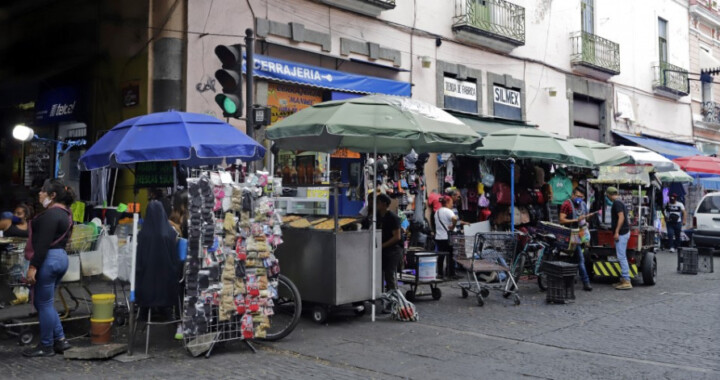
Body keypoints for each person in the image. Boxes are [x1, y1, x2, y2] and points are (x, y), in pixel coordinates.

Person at [23, 179, 75, 357]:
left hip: (49, 259)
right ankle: (60, 340)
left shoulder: (51, 215)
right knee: (44, 302)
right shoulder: (66, 214)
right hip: (60, 258)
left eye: (44, 191)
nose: (40, 193)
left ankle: (46, 345)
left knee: (44, 303)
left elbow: (43, 244)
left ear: (52, 195)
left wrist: (33, 267)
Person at [365, 193, 403, 292]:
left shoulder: (393, 217)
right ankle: (382, 297)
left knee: (389, 274)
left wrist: (382, 246)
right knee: (378, 273)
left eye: (377, 202)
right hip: (382, 249)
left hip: (393, 251)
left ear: (384, 204)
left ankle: (394, 299)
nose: (375, 204)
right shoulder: (376, 216)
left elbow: (397, 237)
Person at [559, 187, 595, 291]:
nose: (580, 199)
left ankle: (570, 279)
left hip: (581, 234)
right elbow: (561, 220)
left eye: (582, 197)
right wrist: (576, 219)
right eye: (578, 196)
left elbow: (585, 218)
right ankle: (586, 282)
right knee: (580, 258)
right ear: (573, 195)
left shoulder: (583, 205)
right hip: (569, 235)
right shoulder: (566, 204)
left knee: (574, 258)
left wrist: (588, 217)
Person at [607, 187, 632, 290]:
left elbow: (621, 217)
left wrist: (616, 231)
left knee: (621, 256)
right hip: (624, 232)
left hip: (622, 233)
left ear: (608, 194)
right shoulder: (620, 202)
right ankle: (623, 279)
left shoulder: (617, 203)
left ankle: (626, 280)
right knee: (621, 255)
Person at [434, 196, 458, 280]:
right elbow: (455, 218)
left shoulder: (437, 212)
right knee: (451, 255)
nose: (452, 204)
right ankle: (451, 274)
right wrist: (453, 226)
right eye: (451, 202)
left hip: (439, 237)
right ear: (447, 202)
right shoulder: (448, 211)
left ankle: (440, 273)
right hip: (448, 237)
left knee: (441, 256)